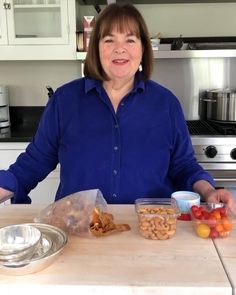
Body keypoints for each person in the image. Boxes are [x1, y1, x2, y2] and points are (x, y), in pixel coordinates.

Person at [0, 3, 234, 208]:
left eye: (130, 40)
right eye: (109, 40)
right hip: (78, 229)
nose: (119, 49)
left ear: (143, 49)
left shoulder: (167, 104)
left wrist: (208, 191)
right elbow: (33, 163)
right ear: (96, 48)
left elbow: (184, 165)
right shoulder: (64, 101)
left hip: (150, 228)